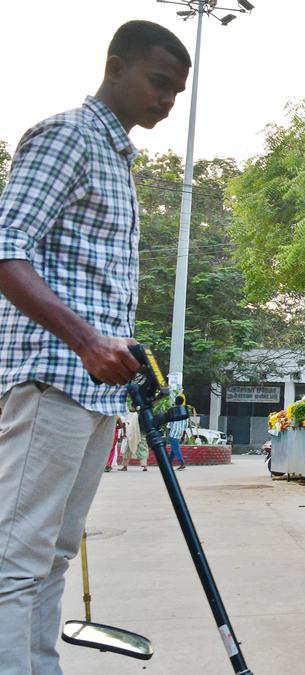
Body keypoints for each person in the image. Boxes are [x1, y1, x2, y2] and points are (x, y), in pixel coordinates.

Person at [0, 20, 190, 674]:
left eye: (176, 93)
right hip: (52, 376)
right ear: (115, 66)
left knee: (51, 554)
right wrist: (85, 340)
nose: (167, 101)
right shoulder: (68, 138)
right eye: (159, 82)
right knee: (14, 558)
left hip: (91, 389)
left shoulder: (115, 158)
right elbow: (6, 247)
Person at [165, 396, 189, 471]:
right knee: (174, 448)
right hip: (180, 432)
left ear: (175, 401)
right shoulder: (184, 410)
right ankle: (169, 463)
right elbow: (186, 424)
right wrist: (183, 434)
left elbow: (169, 423)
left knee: (175, 448)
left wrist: (167, 432)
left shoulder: (173, 410)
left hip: (174, 432)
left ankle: (182, 463)